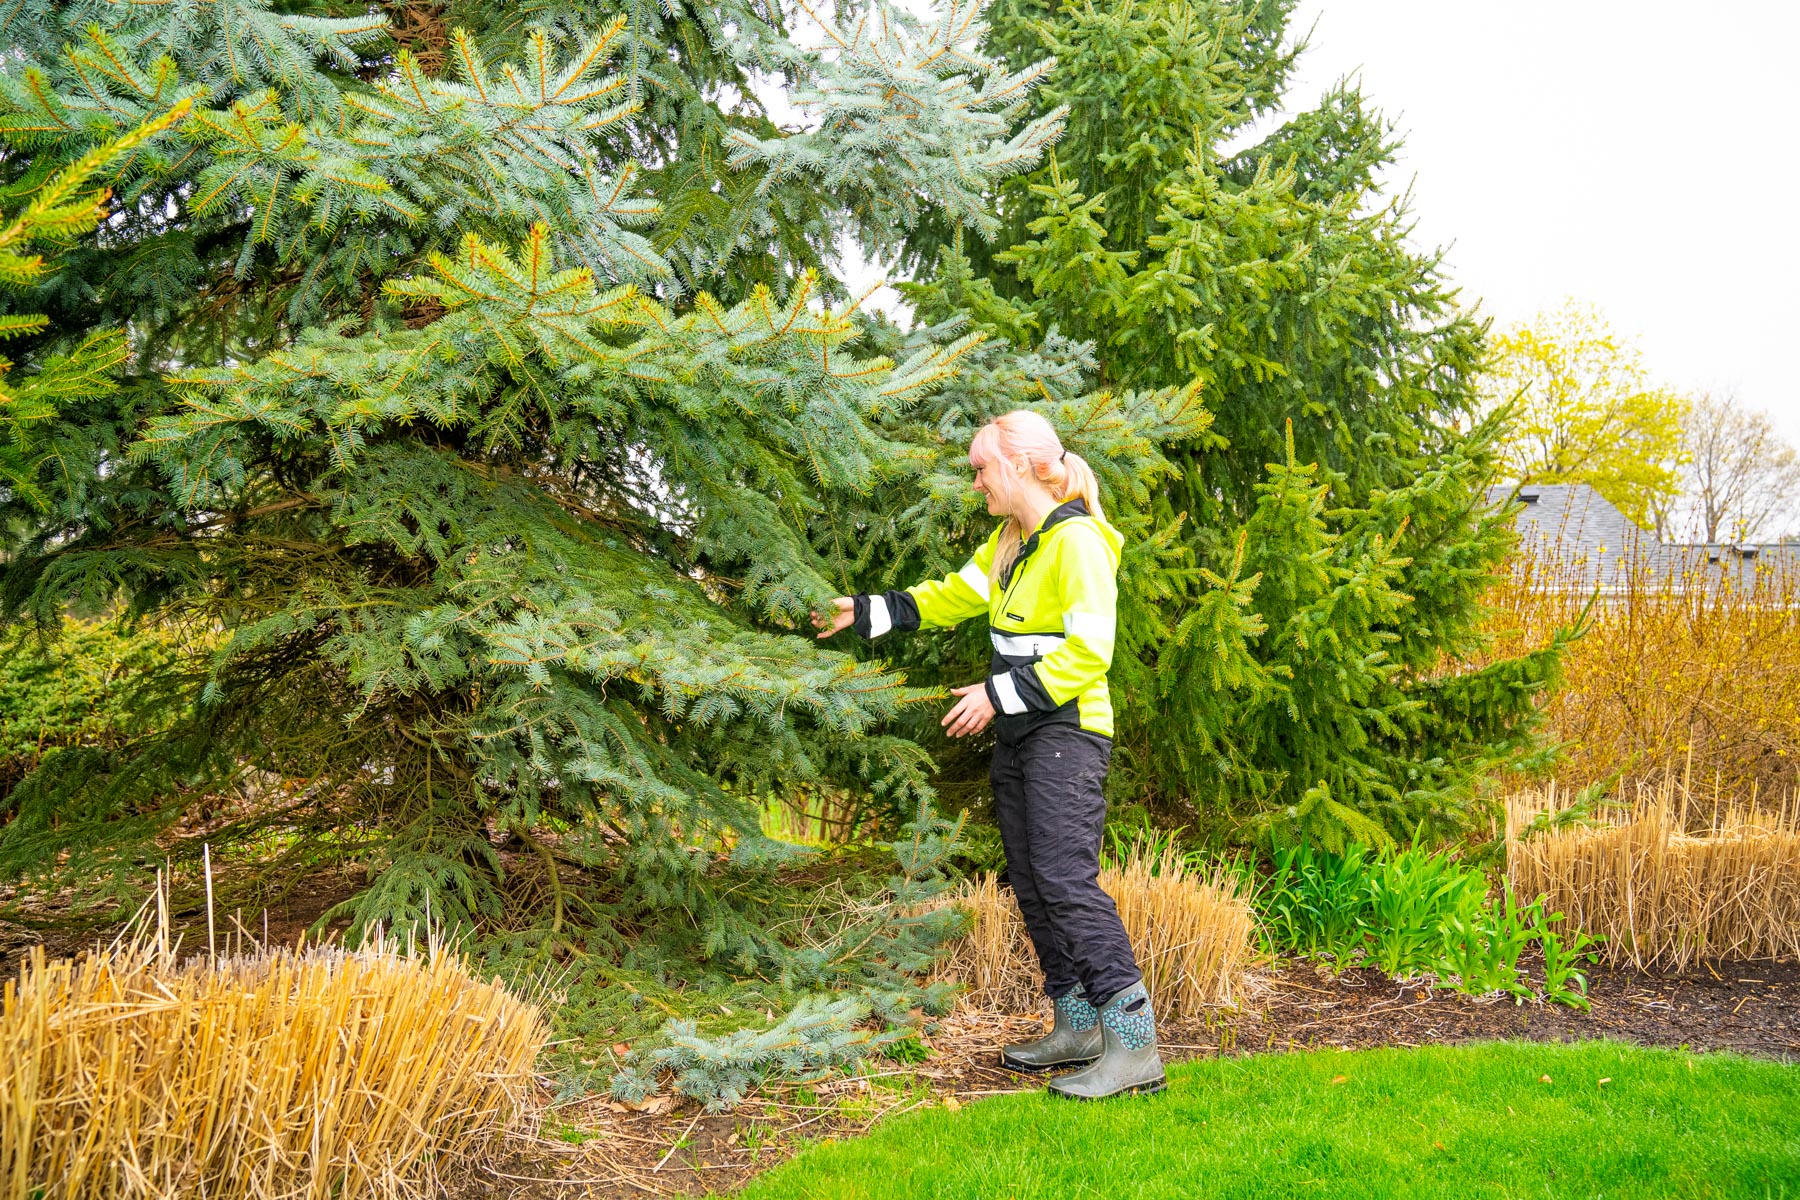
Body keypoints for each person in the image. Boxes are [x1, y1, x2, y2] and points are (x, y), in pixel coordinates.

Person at [813, 410, 1164, 1100]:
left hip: (1069, 733)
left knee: (1066, 881)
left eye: (981, 469)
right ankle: (1077, 1025)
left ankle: (1136, 1050)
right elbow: (952, 595)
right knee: (1033, 883)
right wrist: (867, 610)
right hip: (1022, 734)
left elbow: (1090, 653)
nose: (975, 482)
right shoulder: (1011, 543)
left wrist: (998, 696)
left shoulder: (1079, 543)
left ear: (1025, 464)